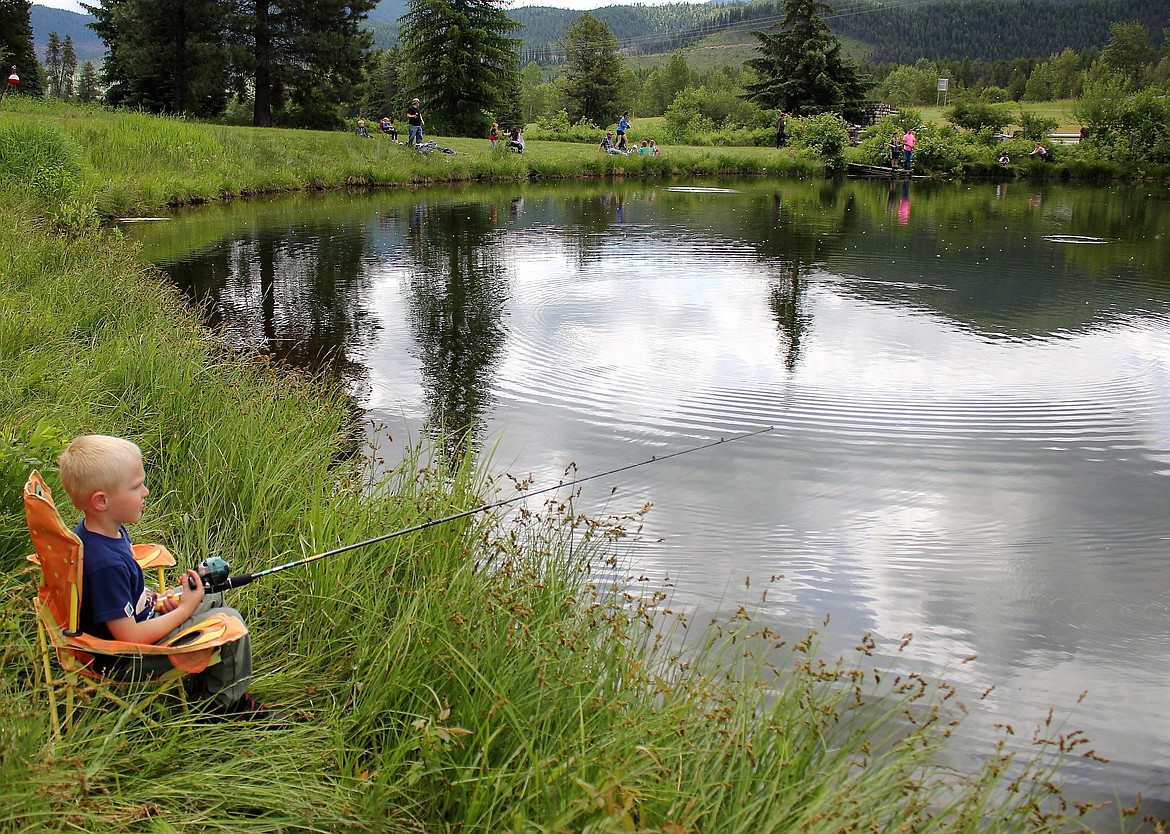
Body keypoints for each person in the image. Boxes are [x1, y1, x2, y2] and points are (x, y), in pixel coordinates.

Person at [57, 434, 278, 721]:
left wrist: (158, 602)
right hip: (124, 659)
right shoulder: (105, 565)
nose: (146, 492)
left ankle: (210, 676)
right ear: (102, 501)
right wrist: (184, 610)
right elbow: (129, 636)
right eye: (136, 487)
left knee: (209, 590)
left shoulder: (103, 531)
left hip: (139, 625)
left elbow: (123, 600)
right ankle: (225, 707)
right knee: (231, 622)